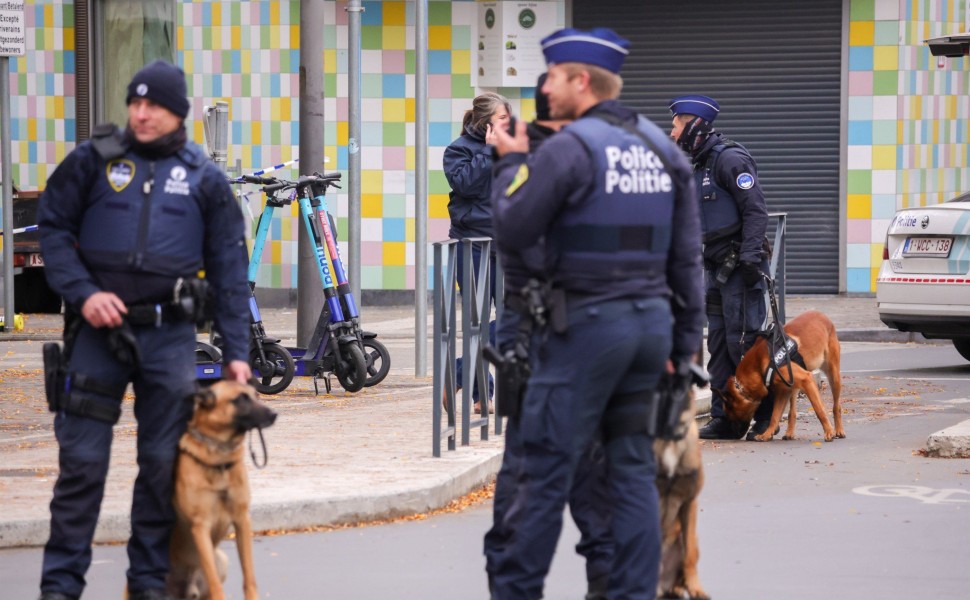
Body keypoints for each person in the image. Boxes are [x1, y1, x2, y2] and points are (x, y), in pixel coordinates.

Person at [487, 28, 704, 599]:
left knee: (542, 472)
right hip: (650, 332)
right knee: (632, 474)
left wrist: (510, 163)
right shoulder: (661, 147)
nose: (546, 87)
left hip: (585, 329)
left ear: (580, 81)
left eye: (554, 76)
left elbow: (514, 226)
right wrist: (683, 350)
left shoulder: (571, 147)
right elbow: (687, 260)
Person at [36, 60, 252, 600]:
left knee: (160, 468)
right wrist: (84, 294)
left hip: (169, 338)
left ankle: (148, 584)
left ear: (177, 113)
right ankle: (60, 588)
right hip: (96, 337)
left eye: (153, 104)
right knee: (81, 467)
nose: (141, 112)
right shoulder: (94, 160)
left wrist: (237, 351)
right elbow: (55, 226)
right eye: (135, 103)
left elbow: (228, 267)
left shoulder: (204, 176)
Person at [483, 73, 612, 600]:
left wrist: (510, 165)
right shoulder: (601, 166)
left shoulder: (534, 174)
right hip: (595, 357)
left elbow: (516, 256)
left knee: (521, 517)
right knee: (603, 511)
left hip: (545, 359)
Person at [668, 94, 774, 441]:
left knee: (744, 344)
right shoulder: (699, 164)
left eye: (676, 124)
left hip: (740, 268)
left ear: (694, 124)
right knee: (718, 344)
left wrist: (748, 259)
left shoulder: (730, 160)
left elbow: (755, 211)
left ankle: (764, 417)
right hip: (714, 268)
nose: (671, 132)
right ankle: (725, 418)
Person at [443, 92, 511, 411]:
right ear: (485, 124)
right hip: (472, 246)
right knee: (478, 323)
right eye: (502, 120)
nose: (508, 125)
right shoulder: (459, 150)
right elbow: (465, 185)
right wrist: (488, 152)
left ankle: (457, 373)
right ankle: (481, 396)